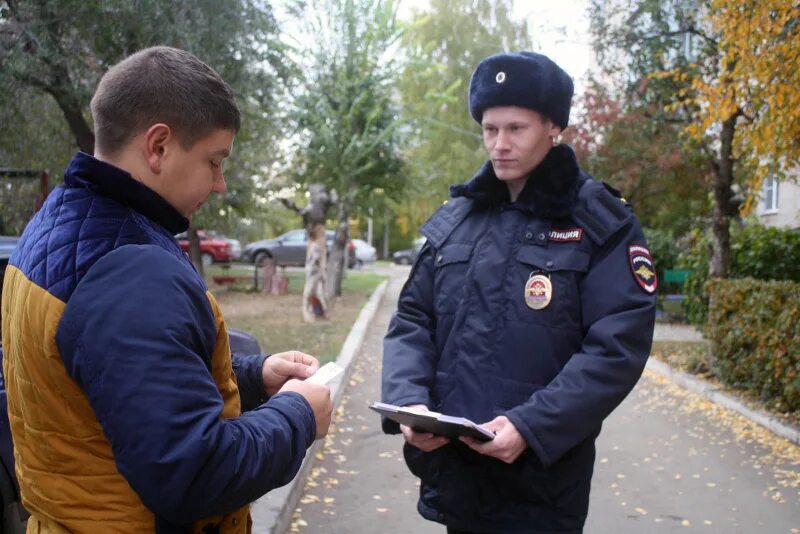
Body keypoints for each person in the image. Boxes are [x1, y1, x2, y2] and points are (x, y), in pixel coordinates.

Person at [1, 46, 333, 533]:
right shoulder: (133, 271)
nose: (219, 184)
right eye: (214, 161)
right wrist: (298, 415)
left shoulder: (54, 226)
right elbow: (192, 473)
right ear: (158, 146)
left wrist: (254, 376)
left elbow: (118, 383)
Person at [381, 51, 657, 534]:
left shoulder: (599, 223)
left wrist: (532, 427)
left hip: (541, 488)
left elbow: (616, 346)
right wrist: (410, 403)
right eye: (490, 130)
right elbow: (412, 320)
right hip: (457, 476)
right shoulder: (459, 219)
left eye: (516, 129)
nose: (500, 145)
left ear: (554, 127)